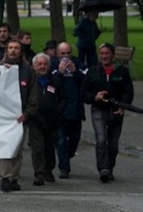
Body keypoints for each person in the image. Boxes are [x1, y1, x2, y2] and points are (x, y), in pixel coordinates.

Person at [83, 42, 134, 182]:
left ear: (113, 55)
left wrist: (123, 106)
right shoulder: (93, 70)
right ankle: (103, 169)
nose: (104, 56)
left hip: (116, 110)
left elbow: (128, 92)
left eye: (107, 53)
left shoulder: (122, 71)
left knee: (113, 144)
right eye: (102, 53)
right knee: (101, 140)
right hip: (98, 109)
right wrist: (95, 97)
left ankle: (109, 168)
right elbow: (84, 92)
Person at [0, 39, 38, 192]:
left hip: (21, 116)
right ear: (6, 50)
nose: (13, 50)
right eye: (10, 48)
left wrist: (27, 113)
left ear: (21, 51)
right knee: (5, 147)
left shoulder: (28, 70)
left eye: (16, 48)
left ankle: (14, 178)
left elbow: (33, 93)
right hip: (3, 116)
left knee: (18, 148)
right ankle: (5, 177)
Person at [28, 53, 63, 186]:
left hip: (52, 119)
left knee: (49, 147)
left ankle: (49, 170)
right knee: (38, 148)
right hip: (35, 119)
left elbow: (63, 97)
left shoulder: (55, 80)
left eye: (45, 64)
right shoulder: (30, 81)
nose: (42, 67)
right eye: (39, 64)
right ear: (34, 66)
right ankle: (39, 173)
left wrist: (58, 111)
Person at [51, 42, 84, 179]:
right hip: (60, 110)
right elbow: (51, 85)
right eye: (62, 53)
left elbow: (86, 82)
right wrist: (59, 72)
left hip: (76, 109)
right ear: (57, 54)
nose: (65, 56)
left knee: (75, 139)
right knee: (61, 141)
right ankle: (64, 168)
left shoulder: (78, 64)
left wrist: (75, 71)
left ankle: (67, 155)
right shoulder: (52, 65)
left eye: (68, 53)